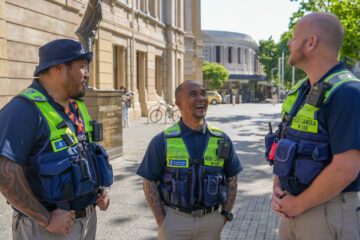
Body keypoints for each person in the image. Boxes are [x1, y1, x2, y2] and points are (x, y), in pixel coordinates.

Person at [0, 39, 113, 240]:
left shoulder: (78, 107)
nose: (87, 74)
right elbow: (4, 171)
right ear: (59, 68)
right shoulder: (23, 109)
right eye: (81, 67)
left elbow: (84, 155)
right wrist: (46, 219)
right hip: (46, 229)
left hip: (86, 222)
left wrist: (99, 191)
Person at [265, 12, 360, 239]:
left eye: (294, 38)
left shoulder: (348, 92)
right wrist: (279, 185)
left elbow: (346, 168)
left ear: (311, 43)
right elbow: (286, 141)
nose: (289, 43)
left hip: (326, 213)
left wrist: (298, 205)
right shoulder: (302, 90)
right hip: (292, 210)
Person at [137, 80, 242, 240]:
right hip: (174, 222)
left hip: (211, 222)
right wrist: (162, 221)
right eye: (193, 94)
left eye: (203, 94)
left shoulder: (222, 139)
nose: (200, 98)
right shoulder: (162, 141)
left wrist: (224, 215)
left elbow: (232, 177)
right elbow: (149, 180)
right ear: (178, 104)